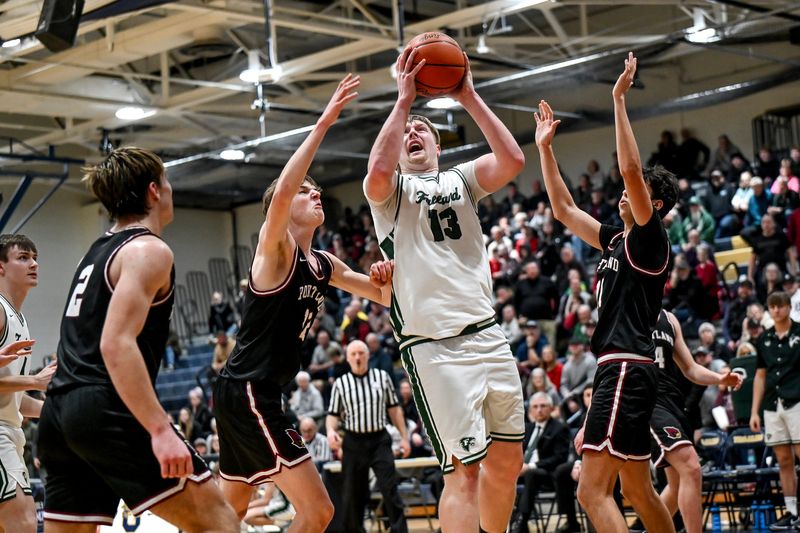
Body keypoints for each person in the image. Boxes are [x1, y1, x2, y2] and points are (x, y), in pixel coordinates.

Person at [212, 74, 395, 533]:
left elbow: (382, 297)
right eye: (304, 192)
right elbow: (285, 189)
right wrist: (324, 123)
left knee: (224, 515)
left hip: (256, 391)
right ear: (282, 206)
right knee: (319, 512)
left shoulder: (324, 263)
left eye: (318, 192)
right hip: (250, 389)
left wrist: (385, 279)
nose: (316, 194)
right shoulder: (275, 251)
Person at [363, 44, 526, 533]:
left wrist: (468, 96)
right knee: (465, 472)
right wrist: (403, 103)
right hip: (436, 349)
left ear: (437, 145)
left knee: (507, 464)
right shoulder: (391, 196)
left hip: (489, 335)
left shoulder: (462, 178)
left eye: (422, 131)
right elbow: (375, 173)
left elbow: (513, 159)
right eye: (407, 131)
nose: (413, 133)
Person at [37, 147, 239, 532]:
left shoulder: (94, 253)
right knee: (219, 523)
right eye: (167, 182)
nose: (170, 189)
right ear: (153, 191)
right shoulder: (148, 249)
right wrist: (160, 429)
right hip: (105, 406)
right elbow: (115, 343)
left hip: (60, 413)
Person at [534, 52, 678, 533]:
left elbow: (632, 172)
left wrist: (619, 99)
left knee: (590, 491)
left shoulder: (650, 237)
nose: (620, 192)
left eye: (632, 193)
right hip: (624, 371)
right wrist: (545, 150)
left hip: (623, 367)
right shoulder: (615, 239)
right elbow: (563, 209)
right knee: (637, 490)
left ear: (653, 206)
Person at [650, 310, 742, 533]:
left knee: (677, 485)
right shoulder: (626, 310)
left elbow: (690, 368)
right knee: (691, 467)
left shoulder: (669, 319)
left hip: (672, 401)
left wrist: (719, 378)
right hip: (647, 400)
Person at [0, 235, 57, 532]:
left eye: (34, 257)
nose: (33, 263)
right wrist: (35, 380)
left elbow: (15, 401)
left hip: (10, 432)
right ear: (1, 267)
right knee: (22, 522)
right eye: (22, 257)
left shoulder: (19, 319)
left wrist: (58, 411)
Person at [326, 340, 409, 533]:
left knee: (390, 489)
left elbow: (395, 410)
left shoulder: (382, 377)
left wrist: (404, 438)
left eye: (361, 353)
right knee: (353, 494)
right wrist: (330, 431)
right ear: (347, 358)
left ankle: (400, 530)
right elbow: (332, 415)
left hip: (379, 440)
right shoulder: (341, 383)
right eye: (353, 354)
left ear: (368, 356)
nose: (357, 357)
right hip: (353, 442)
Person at [750, 291, 800, 531]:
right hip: (772, 405)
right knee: (783, 460)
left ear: (789, 307)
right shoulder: (764, 339)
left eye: (781, 305)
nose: (777, 310)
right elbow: (759, 377)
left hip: (797, 401)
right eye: (773, 306)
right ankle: (791, 512)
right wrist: (754, 412)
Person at [513, 392, 571, 533]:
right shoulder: (526, 429)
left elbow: (559, 458)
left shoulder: (559, 428)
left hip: (548, 475)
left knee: (532, 473)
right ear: (531, 410)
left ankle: (522, 521)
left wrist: (531, 466)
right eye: (535, 406)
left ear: (551, 408)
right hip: (521, 472)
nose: (539, 410)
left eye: (543, 406)